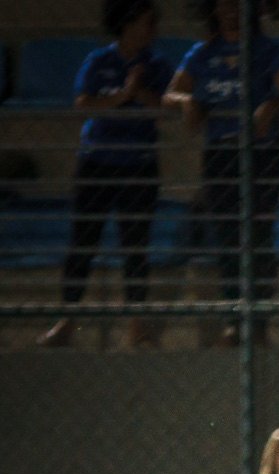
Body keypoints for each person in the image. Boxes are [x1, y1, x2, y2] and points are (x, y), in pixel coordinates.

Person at [163, 0, 279, 347]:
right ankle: (233, 318)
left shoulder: (266, 50)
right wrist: (186, 101)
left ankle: (258, 320)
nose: (230, 10)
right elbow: (171, 92)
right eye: (223, 4)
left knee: (259, 234)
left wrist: (271, 105)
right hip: (221, 153)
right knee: (227, 238)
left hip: (262, 153)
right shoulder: (203, 53)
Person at [38, 0, 171, 350]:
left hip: (139, 165)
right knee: (83, 242)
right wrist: (123, 96)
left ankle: (137, 325)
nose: (152, 30)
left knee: (135, 247)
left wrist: (138, 91)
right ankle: (66, 319)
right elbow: (83, 103)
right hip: (98, 163)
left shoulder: (155, 65)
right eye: (146, 22)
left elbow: (163, 109)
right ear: (127, 24)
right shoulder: (99, 60)